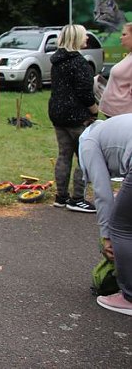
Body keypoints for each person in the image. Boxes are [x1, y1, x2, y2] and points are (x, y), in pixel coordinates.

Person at [78, 114, 132, 316]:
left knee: (121, 228)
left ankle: (129, 297)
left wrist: (106, 235)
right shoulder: (109, 128)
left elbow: (102, 194)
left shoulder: (88, 144)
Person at [48, 24, 98, 213]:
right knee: (83, 158)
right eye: (84, 36)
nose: (87, 39)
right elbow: (86, 93)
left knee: (64, 154)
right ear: (77, 39)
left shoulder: (56, 61)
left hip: (58, 114)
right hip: (77, 116)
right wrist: (94, 110)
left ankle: (61, 196)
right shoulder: (79, 63)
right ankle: (77, 198)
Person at [99, 22, 132, 117]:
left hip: (123, 115)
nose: (121, 37)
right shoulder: (129, 55)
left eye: (124, 34)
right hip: (116, 113)